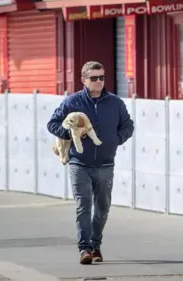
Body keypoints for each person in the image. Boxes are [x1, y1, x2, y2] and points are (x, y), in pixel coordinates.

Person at [47, 61, 134, 265]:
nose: (98, 82)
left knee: (102, 208)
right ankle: (84, 249)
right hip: (79, 163)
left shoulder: (115, 103)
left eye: (102, 77)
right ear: (84, 80)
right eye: (94, 78)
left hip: (105, 164)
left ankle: (96, 244)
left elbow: (128, 125)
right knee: (83, 206)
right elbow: (52, 123)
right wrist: (70, 133)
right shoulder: (72, 102)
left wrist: (117, 138)